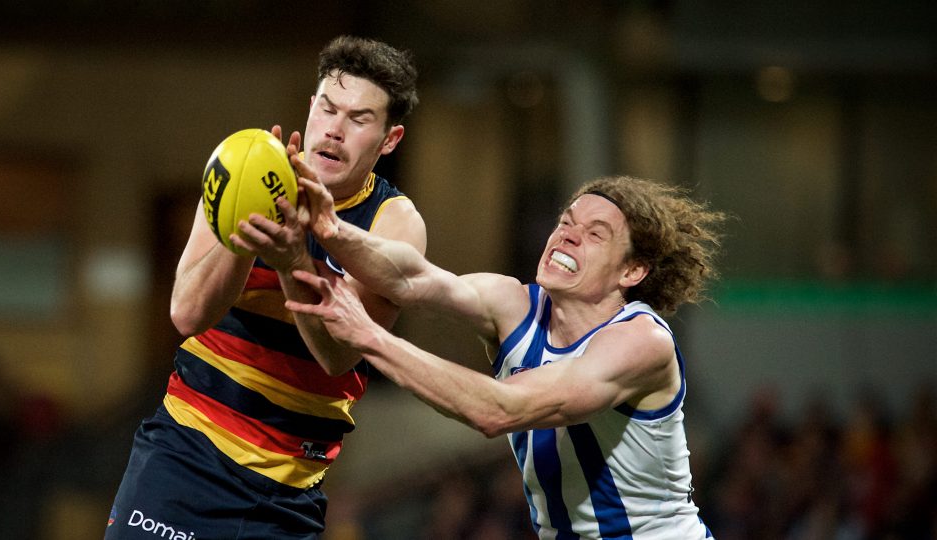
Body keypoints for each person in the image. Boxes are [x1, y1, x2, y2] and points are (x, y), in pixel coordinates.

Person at [286, 169, 725, 539]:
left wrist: (369, 337)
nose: (568, 237)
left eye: (595, 234)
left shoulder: (641, 342)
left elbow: (500, 409)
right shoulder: (514, 303)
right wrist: (330, 228)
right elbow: (409, 278)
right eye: (566, 222)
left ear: (632, 270)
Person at [105, 35, 425, 540]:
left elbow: (339, 357)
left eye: (359, 119)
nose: (335, 131)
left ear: (389, 139)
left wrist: (292, 259)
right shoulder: (241, 167)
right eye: (327, 108)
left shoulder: (394, 224)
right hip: (184, 455)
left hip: (288, 487)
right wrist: (248, 218)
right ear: (310, 108)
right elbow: (187, 315)